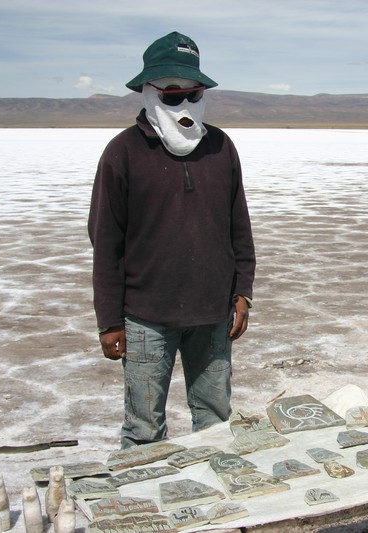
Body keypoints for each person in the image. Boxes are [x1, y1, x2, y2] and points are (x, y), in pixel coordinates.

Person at [88, 31, 256, 448]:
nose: (183, 105)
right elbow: (106, 242)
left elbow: (238, 225)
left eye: (192, 94)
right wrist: (109, 320)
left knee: (215, 424)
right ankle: (143, 488)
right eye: (171, 94)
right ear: (149, 92)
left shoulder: (220, 147)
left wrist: (243, 292)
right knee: (144, 430)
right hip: (146, 317)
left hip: (213, 314)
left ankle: (216, 487)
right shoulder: (123, 152)